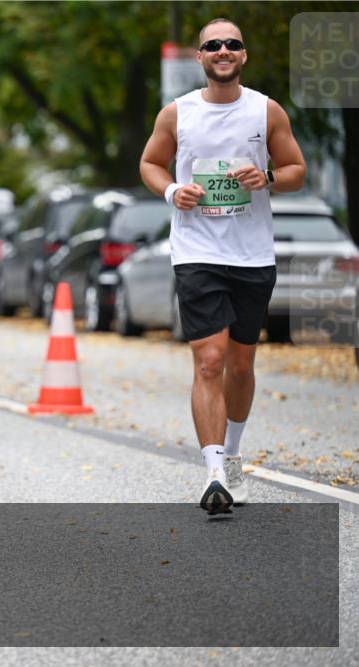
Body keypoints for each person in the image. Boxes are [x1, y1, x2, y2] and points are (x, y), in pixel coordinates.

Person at [139, 18, 306, 515]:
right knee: (209, 361)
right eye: (213, 45)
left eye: (232, 44)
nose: (223, 50)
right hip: (197, 251)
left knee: (240, 364)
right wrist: (173, 190)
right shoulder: (178, 114)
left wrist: (268, 176)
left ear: (244, 56)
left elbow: (297, 171)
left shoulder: (265, 110)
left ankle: (232, 455)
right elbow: (150, 163)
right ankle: (214, 473)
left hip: (252, 254)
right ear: (201, 58)